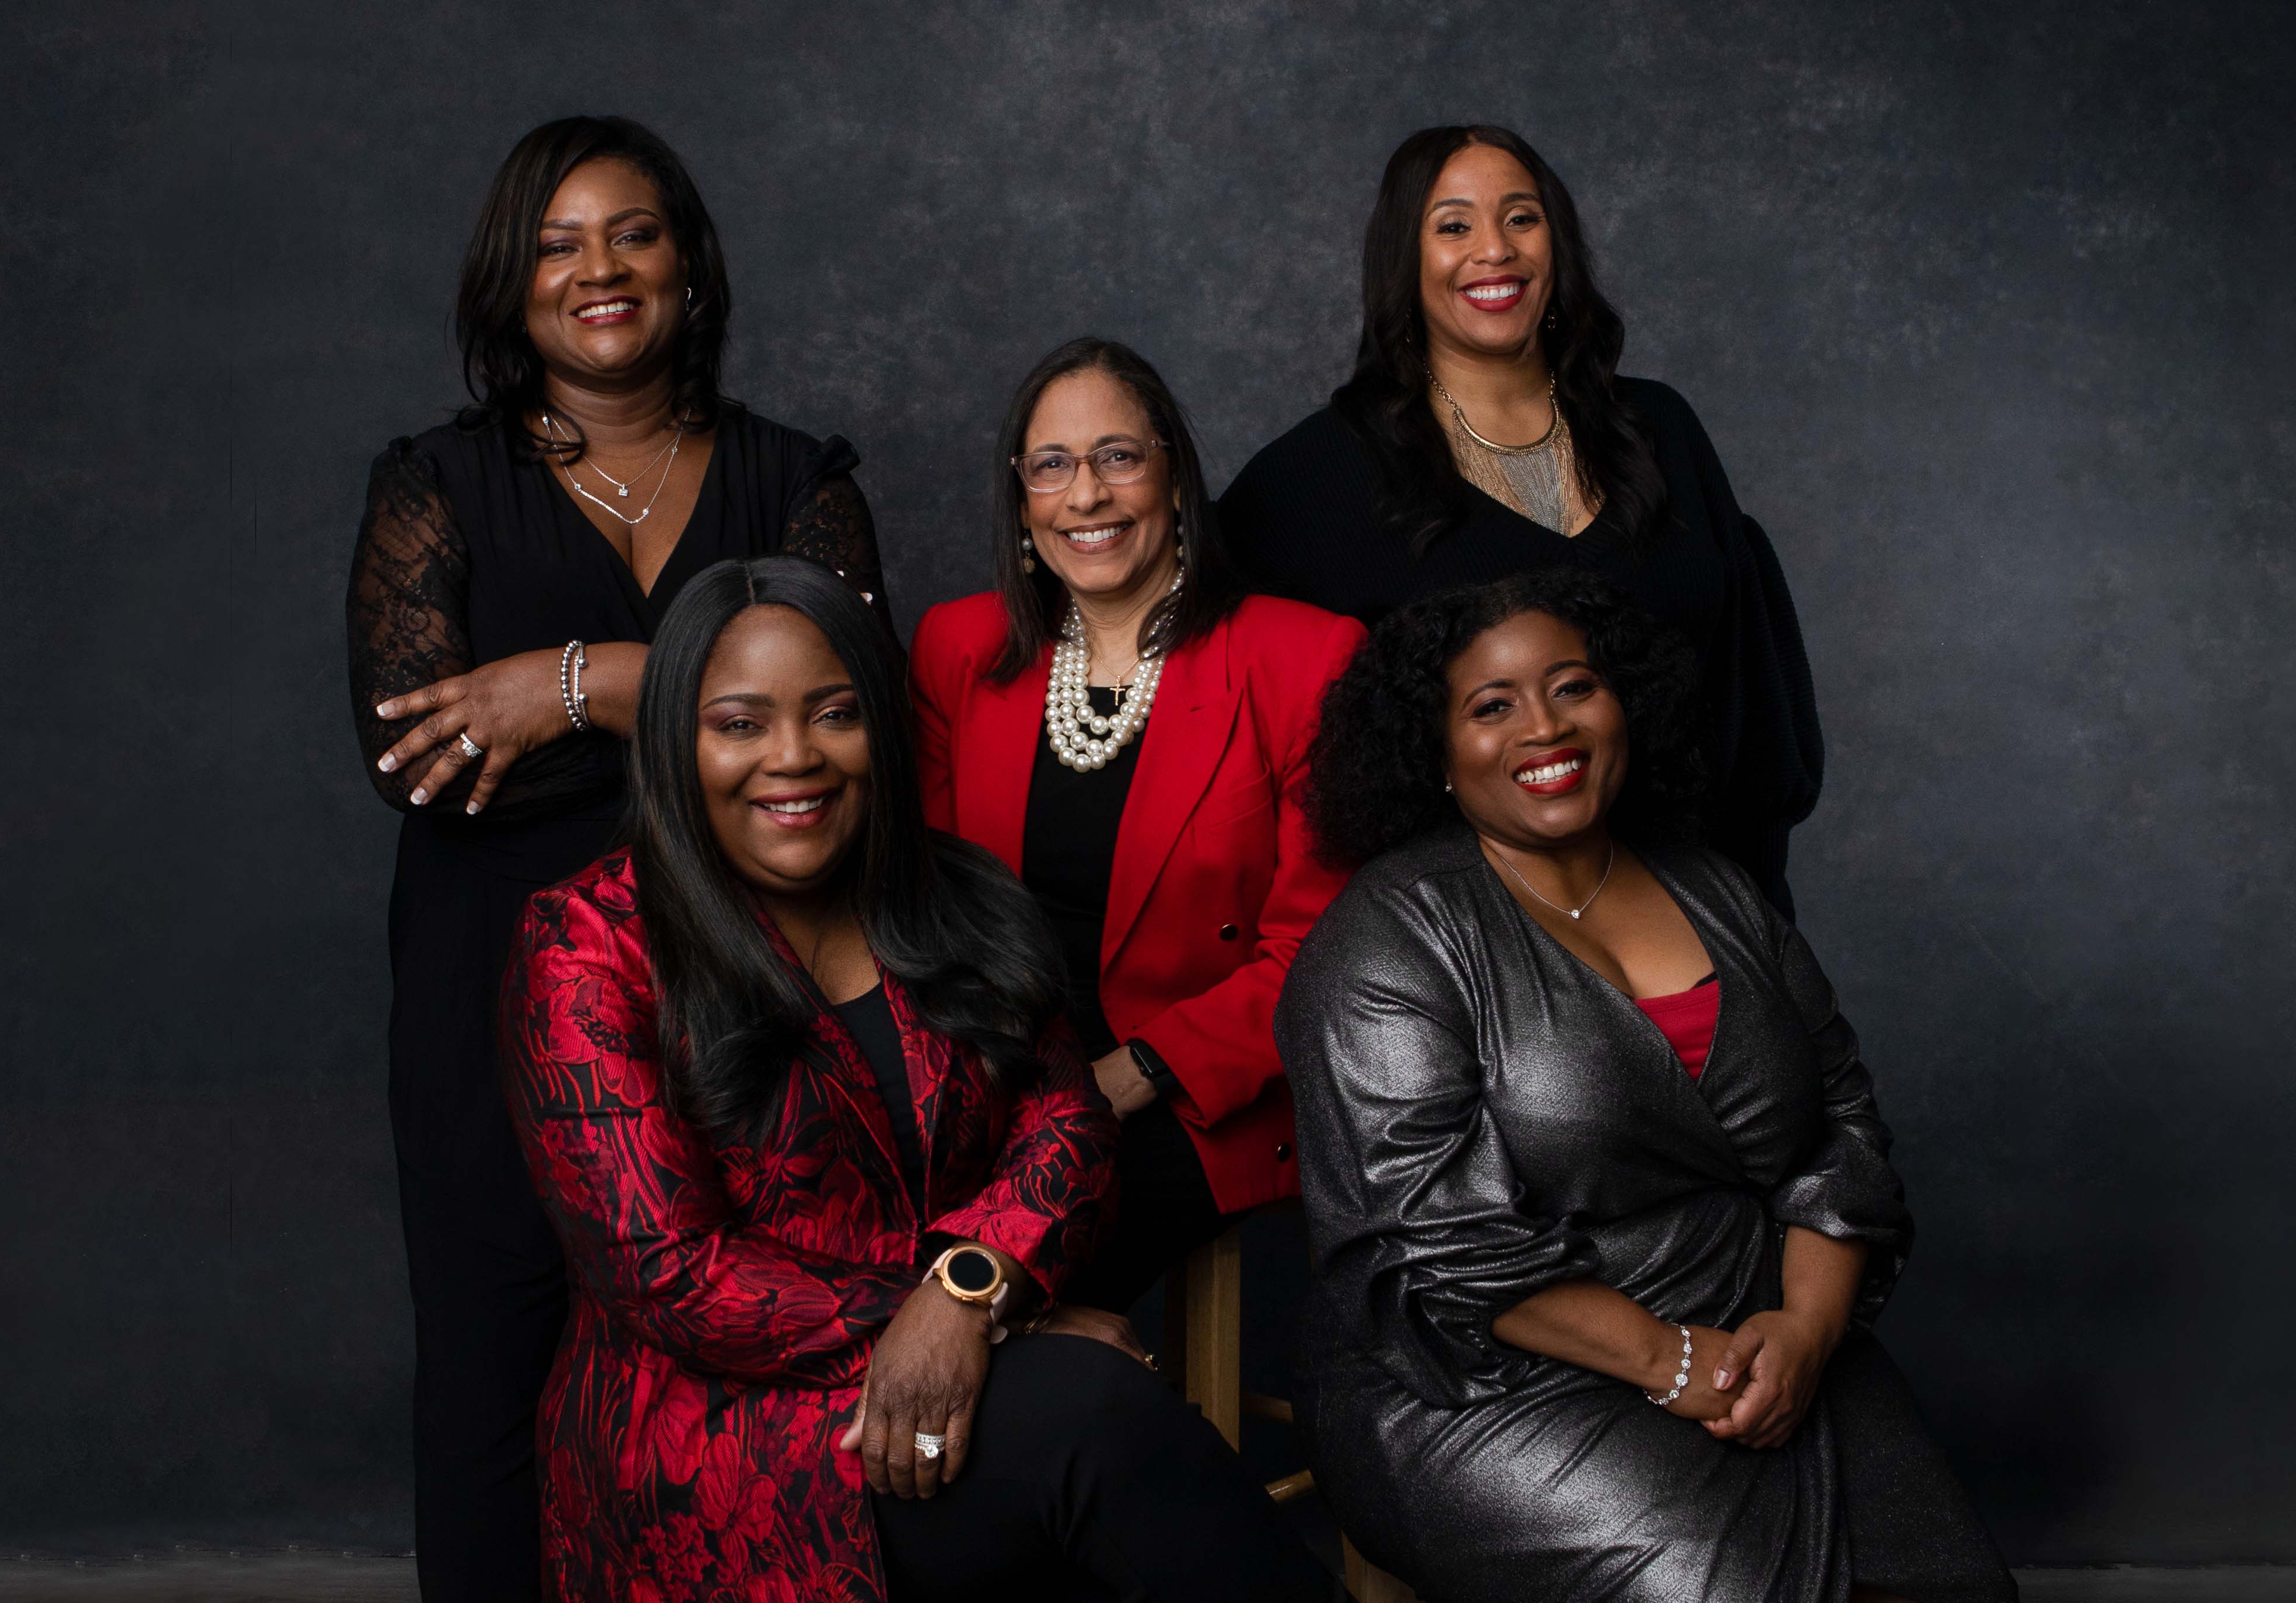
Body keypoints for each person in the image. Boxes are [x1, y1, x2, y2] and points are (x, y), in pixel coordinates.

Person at [504, 557, 1325, 1602]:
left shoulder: (950, 894)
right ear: (676, 742)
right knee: (1089, 1409)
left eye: (833, 713)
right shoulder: (586, 945)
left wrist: (964, 1295)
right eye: (740, 724)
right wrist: (976, 1317)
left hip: (953, 1384)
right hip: (725, 1439)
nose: (794, 758)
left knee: (1093, 1426)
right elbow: (670, 1271)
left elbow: (1067, 1126)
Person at [340, 116, 885, 1602]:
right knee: (491, 1350)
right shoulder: (433, 485)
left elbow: (853, 704)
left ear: (689, 267)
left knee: (741, 1326)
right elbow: (416, 751)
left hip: (762, 966)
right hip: (494, 974)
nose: (600, 270)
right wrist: (718, 691)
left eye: (633, 233)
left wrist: (563, 684)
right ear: (511, 283)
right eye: (560, 243)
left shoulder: (795, 474)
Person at [1278, 568, 2012, 1603]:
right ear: (1433, 754)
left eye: (1572, 687)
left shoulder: (1714, 884)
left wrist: (1803, 1332)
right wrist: (1671, 1362)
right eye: (1491, 707)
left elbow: (1841, 1128)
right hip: (1484, 1374)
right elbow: (1435, 1245)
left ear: (1625, 703)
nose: (1544, 727)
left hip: (1761, 1329)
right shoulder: (1386, 945)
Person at [1217, 123, 1826, 918]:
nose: (1493, 250)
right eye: (1453, 225)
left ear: (1557, 242)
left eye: (1520, 217)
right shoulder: (1313, 477)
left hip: (1696, 906)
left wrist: (1750, 919)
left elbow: (1751, 704)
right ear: (1404, 257)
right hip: (1474, 942)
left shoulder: (1660, 428)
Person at [910, 337, 1365, 1329]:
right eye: (1053, 465)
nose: (1088, 495)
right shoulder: (959, 646)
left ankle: (1035, 1350)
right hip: (993, 1068)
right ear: (1023, 499)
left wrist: (1135, 1071)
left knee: (951, 1298)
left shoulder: (1303, 657)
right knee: (837, 1234)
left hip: (1190, 1095)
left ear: (1172, 475)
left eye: (1118, 456)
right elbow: (927, 905)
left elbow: (1321, 951)